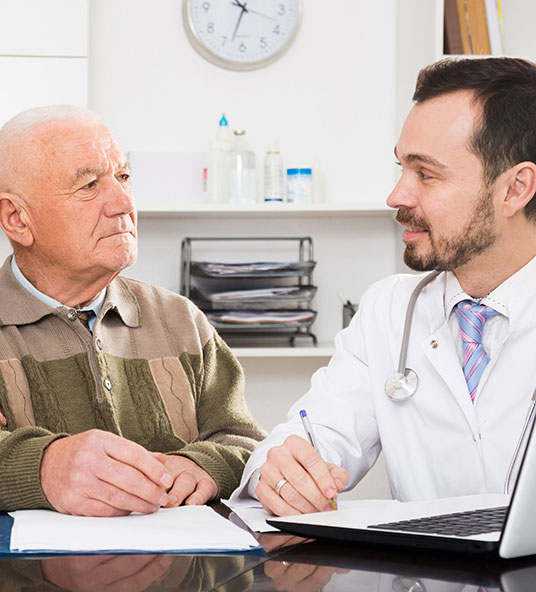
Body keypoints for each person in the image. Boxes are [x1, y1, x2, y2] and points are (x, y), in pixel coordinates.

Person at [230, 56, 536, 516]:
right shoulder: (389, 310)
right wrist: (280, 470)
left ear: (516, 189)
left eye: (426, 174)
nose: (396, 196)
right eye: (401, 169)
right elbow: (310, 436)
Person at [0, 105, 265, 516]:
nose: (124, 202)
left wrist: (204, 466)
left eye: (123, 177)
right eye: (89, 185)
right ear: (16, 218)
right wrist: (44, 467)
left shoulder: (182, 321)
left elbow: (244, 441)